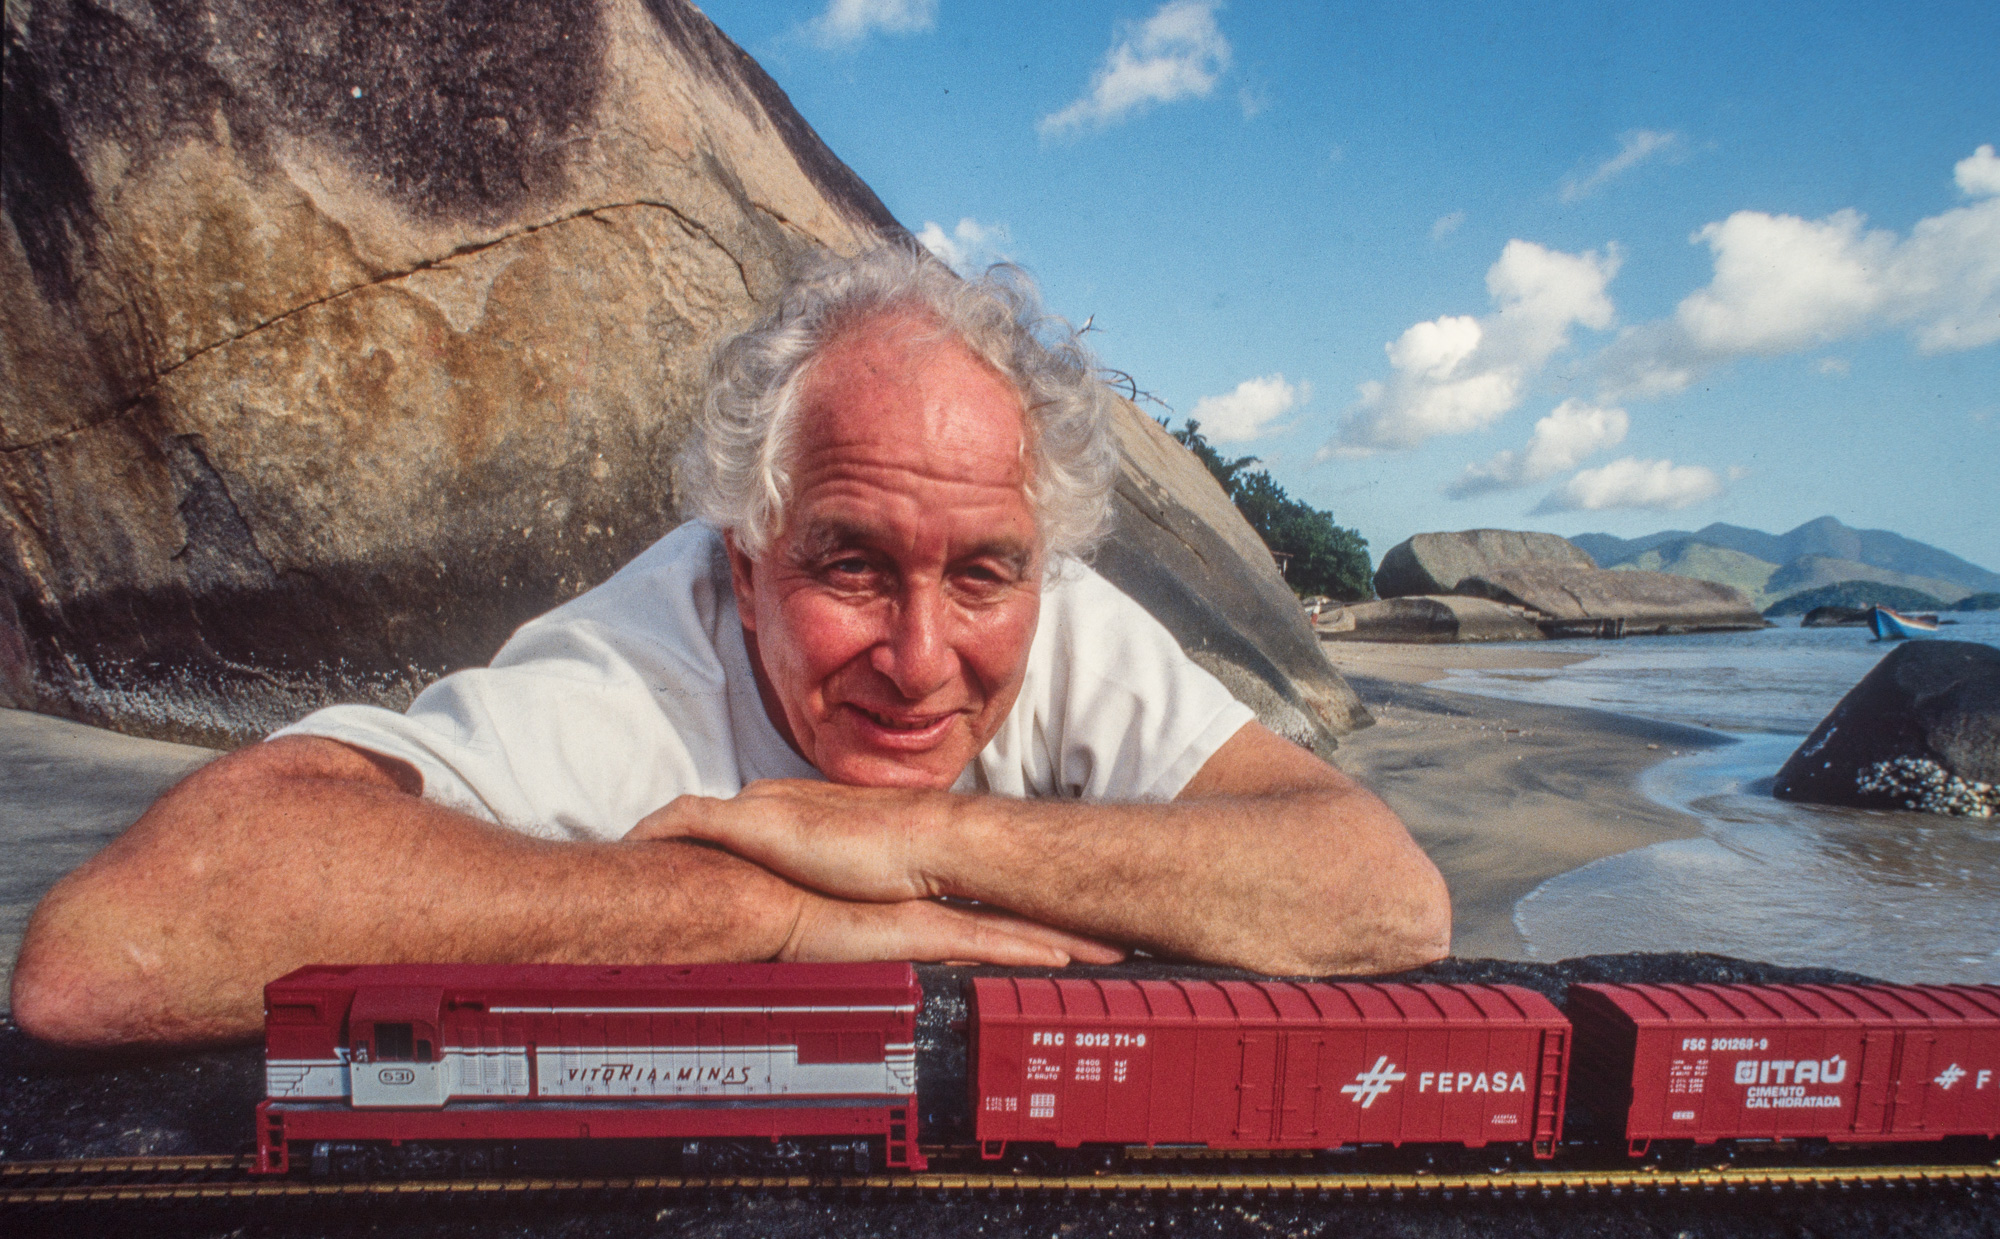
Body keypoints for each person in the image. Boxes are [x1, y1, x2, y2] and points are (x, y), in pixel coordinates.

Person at [11, 247, 1450, 1048]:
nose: (922, 657)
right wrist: (754, 908)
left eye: (983, 575)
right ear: (745, 559)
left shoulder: (1043, 613)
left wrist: (912, 849)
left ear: (1036, 558)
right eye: (850, 565)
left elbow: (1381, 898)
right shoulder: (630, 674)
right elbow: (109, 953)